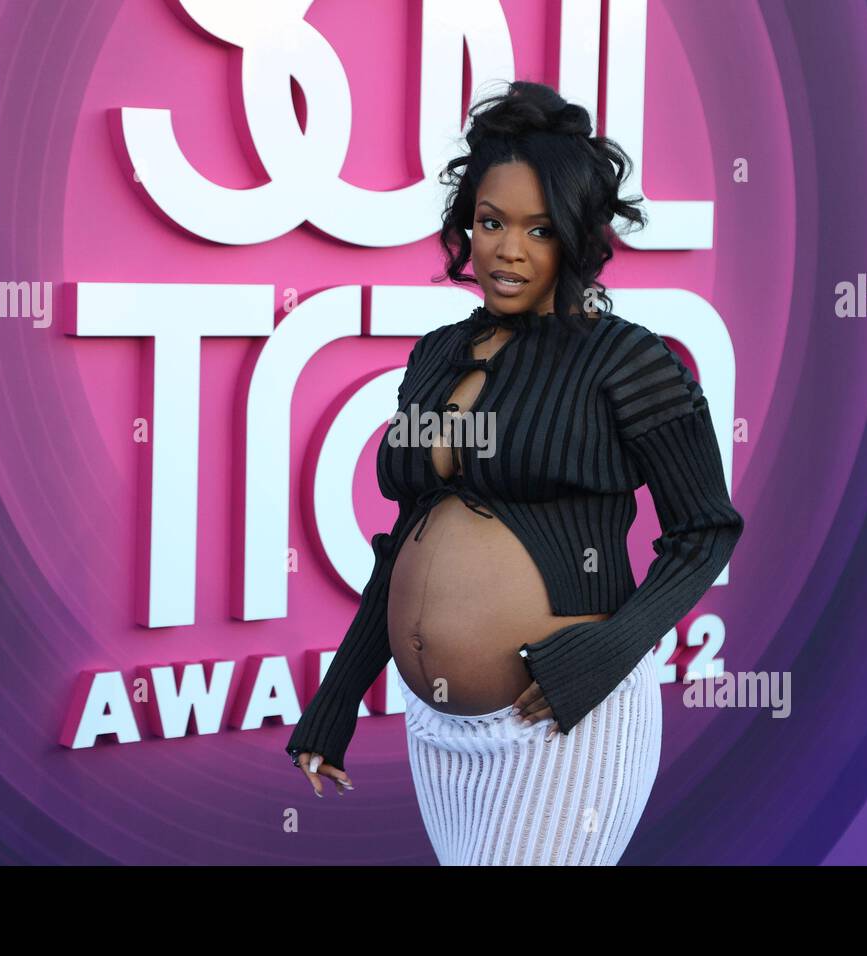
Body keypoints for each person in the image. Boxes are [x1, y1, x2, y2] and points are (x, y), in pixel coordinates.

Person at [285, 80, 745, 864]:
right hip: (439, 730)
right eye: (492, 222)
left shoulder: (629, 359)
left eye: (539, 229)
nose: (508, 249)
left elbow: (705, 531)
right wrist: (337, 702)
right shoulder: (437, 353)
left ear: (576, 237)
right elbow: (406, 543)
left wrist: (610, 652)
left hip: (565, 718)